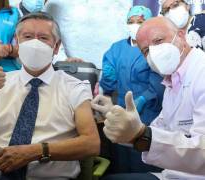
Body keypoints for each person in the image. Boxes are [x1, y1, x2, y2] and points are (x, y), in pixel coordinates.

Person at [0, 12, 100, 180]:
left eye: (43, 38)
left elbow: (91, 144)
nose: (34, 43)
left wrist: (37, 151)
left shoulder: (74, 87)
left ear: (56, 46)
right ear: (17, 41)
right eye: (28, 37)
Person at [92, 16, 205, 179]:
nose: (154, 53)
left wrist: (140, 134)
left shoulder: (201, 72)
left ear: (181, 36)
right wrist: (121, 120)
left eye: (158, 41)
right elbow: (158, 130)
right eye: (146, 51)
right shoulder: (172, 82)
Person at [95, 5, 164, 174]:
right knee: (121, 160)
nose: (135, 25)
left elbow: (159, 83)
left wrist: (142, 100)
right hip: (119, 110)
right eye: (130, 21)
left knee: (144, 158)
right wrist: (107, 80)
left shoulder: (154, 48)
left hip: (149, 114)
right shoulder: (116, 48)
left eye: (140, 21)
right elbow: (109, 82)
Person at [44, 0, 132, 69]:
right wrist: (62, 61)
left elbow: (134, 33)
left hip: (118, 72)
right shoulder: (56, 3)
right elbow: (46, 34)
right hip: (72, 72)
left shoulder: (126, 3)